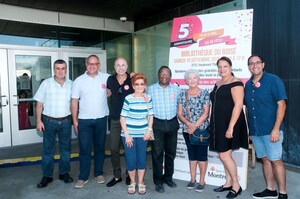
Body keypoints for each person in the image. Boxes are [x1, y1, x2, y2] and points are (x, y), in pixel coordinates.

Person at [244, 55, 288, 199]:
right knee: (264, 159)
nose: (254, 65)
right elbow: (248, 108)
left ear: (263, 64)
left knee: (275, 160)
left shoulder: (273, 80)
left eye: (257, 63)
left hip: (271, 130)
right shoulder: (248, 84)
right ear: (248, 66)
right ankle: (270, 189)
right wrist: (250, 130)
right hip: (256, 131)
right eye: (251, 63)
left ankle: (283, 193)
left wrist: (276, 128)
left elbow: (282, 104)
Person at [209, 56, 248, 198]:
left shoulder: (236, 82)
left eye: (225, 66)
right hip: (218, 124)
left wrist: (230, 127)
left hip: (230, 123)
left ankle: (236, 186)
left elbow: (238, 105)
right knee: (224, 154)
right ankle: (228, 183)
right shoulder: (218, 83)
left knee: (225, 155)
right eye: (219, 67)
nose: (222, 69)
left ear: (231, 67)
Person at [71, 55, 110, 188]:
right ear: (86, 64)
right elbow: (74, 101)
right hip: (84, 121)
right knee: (84, 149)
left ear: (99, 65)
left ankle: (98, 173)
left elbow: (121, 81)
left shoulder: (106, 77)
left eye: (94, 64)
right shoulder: (78, 81)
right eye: (89, 63)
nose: (92, 66)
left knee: (100, 148)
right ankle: (83, 177)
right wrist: (74, 120)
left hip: (101, 119)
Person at [34, 59, 73, 188]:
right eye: (58, 68)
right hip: (49, 121)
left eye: (63, 68)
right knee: (48, 151)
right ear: (54, 70)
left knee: (66, 150)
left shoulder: (72, 84)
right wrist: (39, 121)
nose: (60, 71)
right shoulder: (46, 83)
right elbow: (39, 104)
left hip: (66, 121)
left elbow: (76, 102)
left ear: (66, 70)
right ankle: (47, 176)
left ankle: (64, 173)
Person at [148, 66, 181, 193]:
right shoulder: (150, 89)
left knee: (171, 153)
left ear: (170, 76)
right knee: (157, 154)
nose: (164, 76)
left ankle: (168, 178)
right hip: (157, 124)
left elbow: (181, 105)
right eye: (162, 74)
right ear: (158, 76)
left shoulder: (176, 89)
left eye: (167, 74)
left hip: (172, 123)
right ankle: (158, 181)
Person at [120, 73, 153, 195]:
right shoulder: (128, 98)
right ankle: (132, 182)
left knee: (142, 160)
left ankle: (141, 183)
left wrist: (148, 131)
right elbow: (122, 118)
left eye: (142, 84)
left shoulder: (148, 98)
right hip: (129, 135)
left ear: (145, 85)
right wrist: (127, 135)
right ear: (133, 85)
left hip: (143, 134)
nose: (139, 86)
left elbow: (151, 116)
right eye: (137, 84)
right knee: (131, 160)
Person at [177, 69, 210, 192]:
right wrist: (188, 125)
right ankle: (192, 179)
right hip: (187, 130)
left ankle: (202, 181)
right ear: (186, 81)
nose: (192, 80)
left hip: (201, 130)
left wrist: (194, 126)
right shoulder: (182, 94)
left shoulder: (205, 93)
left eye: (194, 78)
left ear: (198, 79)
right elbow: (180, 113)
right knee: (191, 155)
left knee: (202, 155)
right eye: (189, 78)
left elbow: (206, 113)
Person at [106, 58, 133, 187]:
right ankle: (117, 176)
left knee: (129, 148)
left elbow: (141, 90)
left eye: (123, 65)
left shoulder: (132, 79)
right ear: (114, 67)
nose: (120, 67)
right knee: (113, 148)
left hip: (129, 119)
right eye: (118, 65)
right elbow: (108, 93)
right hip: (116, 119)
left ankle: (129, 174)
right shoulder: (110, 80)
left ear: (127, 66)